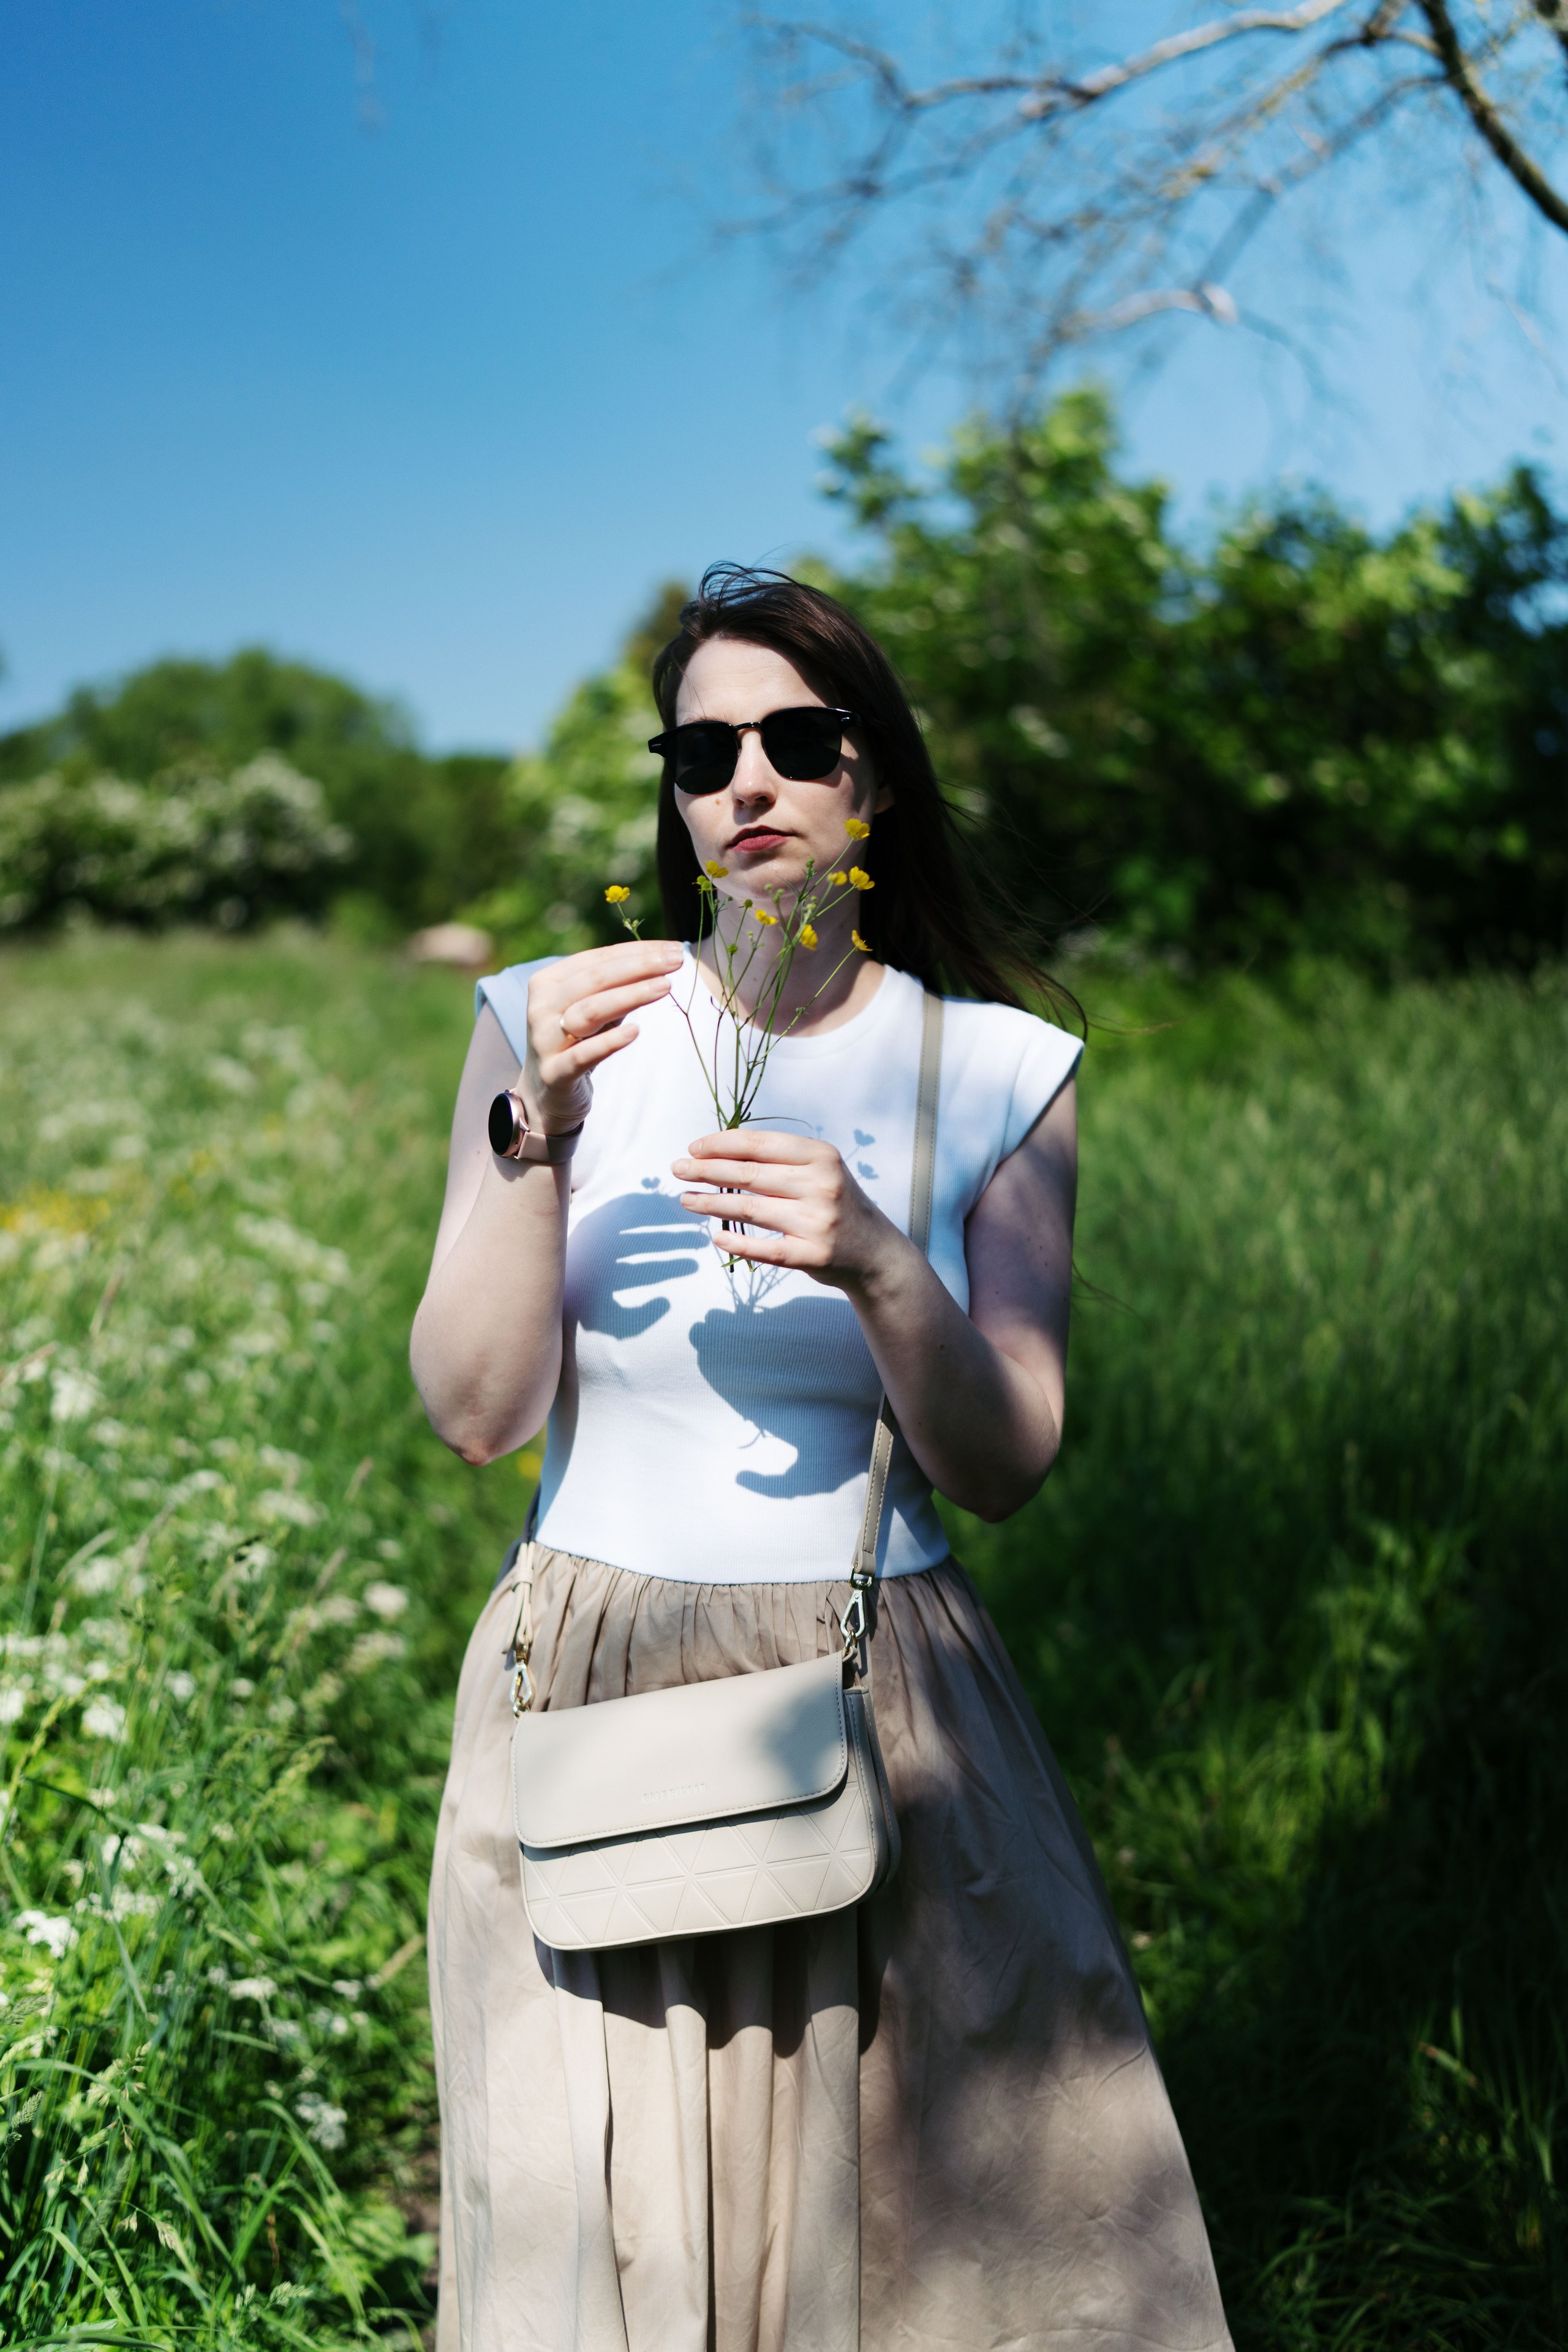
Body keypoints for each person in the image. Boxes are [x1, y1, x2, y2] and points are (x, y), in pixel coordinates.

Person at [413, 567, 1232, 2352]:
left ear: (877, 778)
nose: (750, 783)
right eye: (704, 751)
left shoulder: (995, 1069)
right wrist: (534, 1134)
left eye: (800, 739)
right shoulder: (549, 1023)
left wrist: (876, 1261)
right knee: (604, 2236)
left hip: (884, 1699)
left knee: (917, 2252)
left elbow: (1006, 1460)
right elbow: (474, 1413)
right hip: (593, 1672)